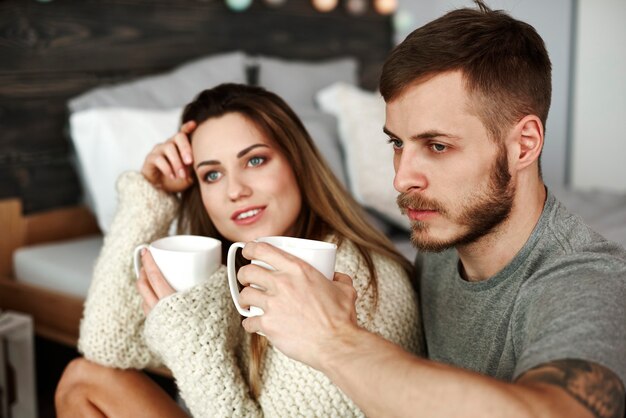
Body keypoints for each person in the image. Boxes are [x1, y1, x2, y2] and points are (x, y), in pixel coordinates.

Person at [234, 2, 626, 418]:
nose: (402, 179)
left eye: (437, 146)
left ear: (524, 145)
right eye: (397, 144)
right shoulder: (441, 245)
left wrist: (334, 340)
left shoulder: (587, 280)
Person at [54, 83, 423, 417]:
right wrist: (149, 199)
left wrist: (192, 344)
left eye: (255, 160)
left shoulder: (347, 277)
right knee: (86, 377)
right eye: (212, 175)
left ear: (297, 162)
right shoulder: (243, 267)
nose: (235, 190)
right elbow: (105, 345)